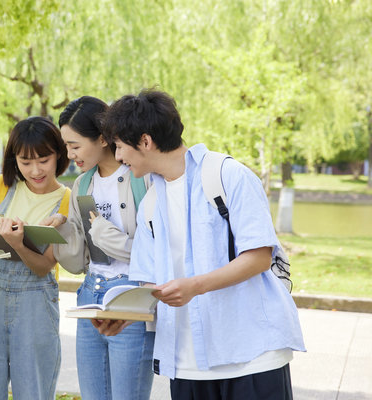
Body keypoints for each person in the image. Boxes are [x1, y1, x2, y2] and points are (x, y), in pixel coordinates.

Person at [97, 89, 306, 399]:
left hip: (252, 356)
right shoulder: (151, 200)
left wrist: (195, 286)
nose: (117, 157)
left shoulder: (229, 175)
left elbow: (259, 257)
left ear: (145, 141)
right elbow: (151, 283)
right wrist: (127, 315)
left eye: (118, 146)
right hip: (185, 363)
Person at [48, 96, 155, 400]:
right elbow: (80, 261)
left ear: (103, 138)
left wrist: (106, 236)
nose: (68, 154)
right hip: (89, 295)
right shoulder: (82, 185)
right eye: (66, 146)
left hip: (130, 296)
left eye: (75, 145)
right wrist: (61, 231)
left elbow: (157, 253)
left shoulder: (141, 178)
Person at [0, 116, 71, 400]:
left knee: (34, 390)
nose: (35, 170)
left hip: (35, 301)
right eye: (25, 161)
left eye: (43, 159)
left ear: (59, 154)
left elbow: (45, 266)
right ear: (14, 160)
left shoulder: (68, 201)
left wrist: (18, 245)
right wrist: (1, 238)